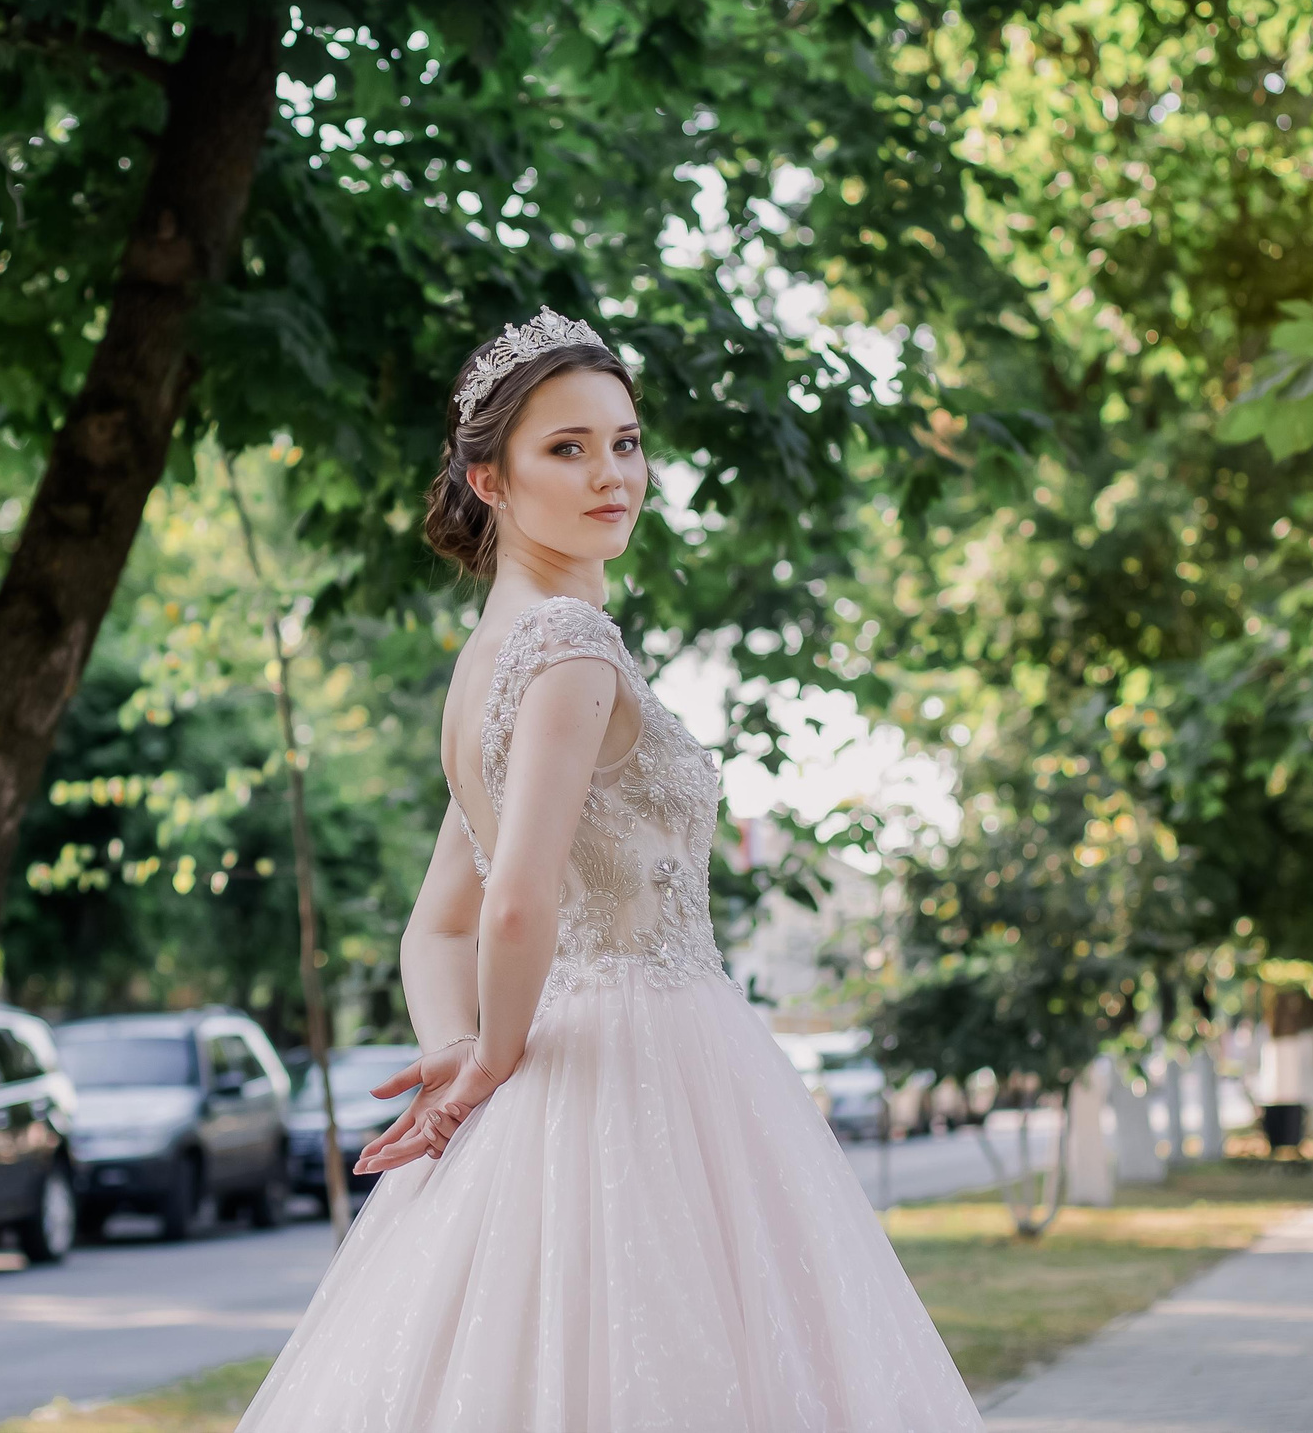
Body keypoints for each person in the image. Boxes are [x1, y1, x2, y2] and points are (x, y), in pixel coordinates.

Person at [233, 311, 982, 1432]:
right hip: (644, 1062)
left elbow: (439, 923)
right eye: (567, 448)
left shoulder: (488, 660)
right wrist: (484, 1062)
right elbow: (513, 903)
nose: (611, 476)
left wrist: (463, 1051)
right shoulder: (569, 649)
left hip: (559, 1070)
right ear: (489, 479)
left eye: (624, 443)